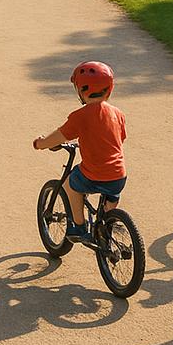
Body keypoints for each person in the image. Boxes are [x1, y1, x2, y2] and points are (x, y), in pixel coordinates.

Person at [32, 62, 127, 242]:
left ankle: (79, 226)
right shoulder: (118, 113)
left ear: (80, 90)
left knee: (70, 184)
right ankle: (107, 223)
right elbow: (120, 138)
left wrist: (41, 143)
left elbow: (59, 136)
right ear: (110, 88)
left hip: (94, 175)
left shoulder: (80, 116)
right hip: (118, 175)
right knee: (112, 192)